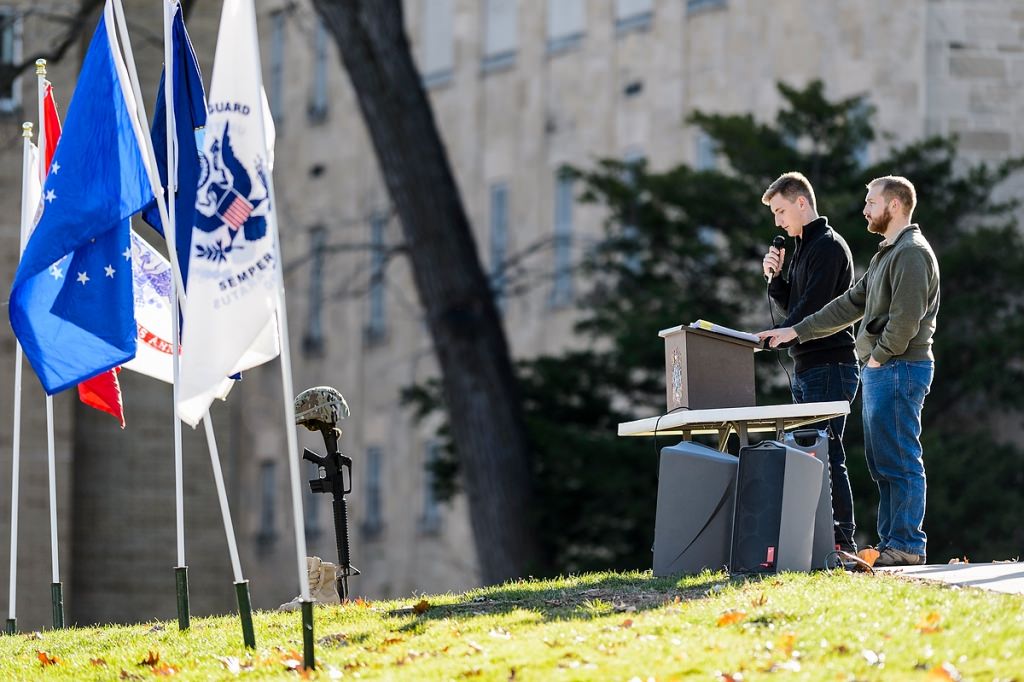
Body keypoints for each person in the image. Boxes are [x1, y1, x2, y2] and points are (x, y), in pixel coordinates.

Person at [758, 175, 939, 567]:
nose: (865, 209)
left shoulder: (910, 252)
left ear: (893, 206)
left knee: (900, 458)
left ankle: (907, 544)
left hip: (899, 367)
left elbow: (907, 320)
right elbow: (847, 304)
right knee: (883, 461)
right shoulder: (886, 254)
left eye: (871, 202)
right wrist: (796, 330)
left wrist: (878, 357)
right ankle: (895, 543)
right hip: (884, 368)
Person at [760, 171, 861, 553]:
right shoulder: (802, 248)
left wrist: (780, 332)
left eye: (781, 211)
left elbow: (813, 310)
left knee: (828, 452)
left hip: (831, 364)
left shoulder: (829, 247)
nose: (778, 222)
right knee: (811, 453)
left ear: (802, 203)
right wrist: (775, 278)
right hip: (807, 366)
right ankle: (822, 540)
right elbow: (796, 307)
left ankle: (840, 540)